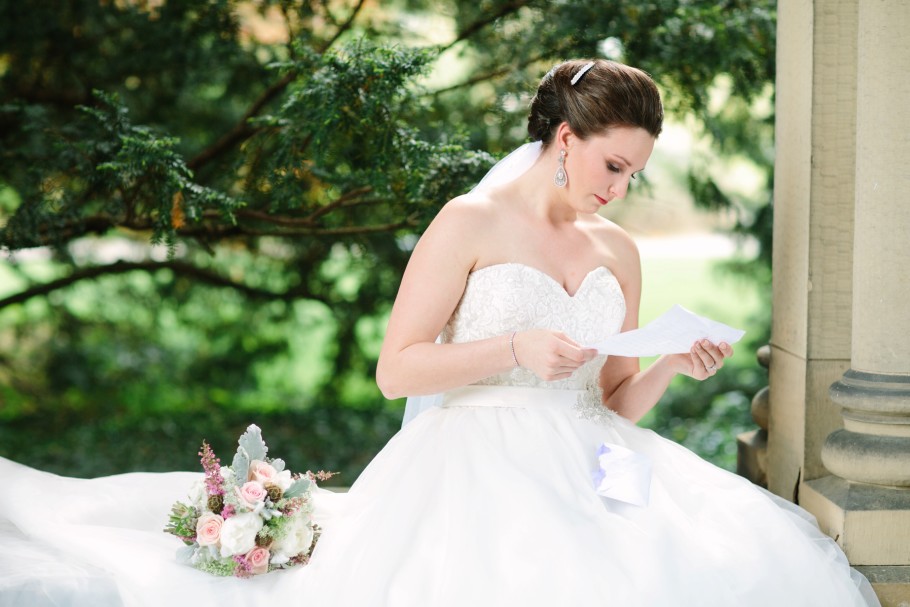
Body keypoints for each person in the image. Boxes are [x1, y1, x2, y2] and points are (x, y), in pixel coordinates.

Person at [0, 59, 880, 607]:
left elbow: (614, 400)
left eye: (635, 174)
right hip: (473, 461)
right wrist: (512, 348)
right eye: (613, 165)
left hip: (599, 463)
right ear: (565, 139)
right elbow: (396, 370)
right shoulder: (468, 223)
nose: (619, 190)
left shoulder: (619, 249)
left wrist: (669, 366)